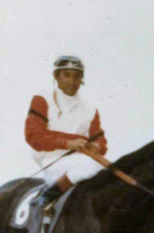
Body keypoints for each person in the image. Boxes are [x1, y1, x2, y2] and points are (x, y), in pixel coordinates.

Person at [26, 55, 108, 211]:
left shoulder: (90, 109)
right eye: (66, 75)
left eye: (77, 76)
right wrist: (67, 143)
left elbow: (100, 139)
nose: (72, 81)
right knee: (91, 165)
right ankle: (48, 195)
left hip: (81, 160)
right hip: (52, 160)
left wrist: (96, 146)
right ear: (56, 76)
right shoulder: (42, 99)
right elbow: (34, 136)